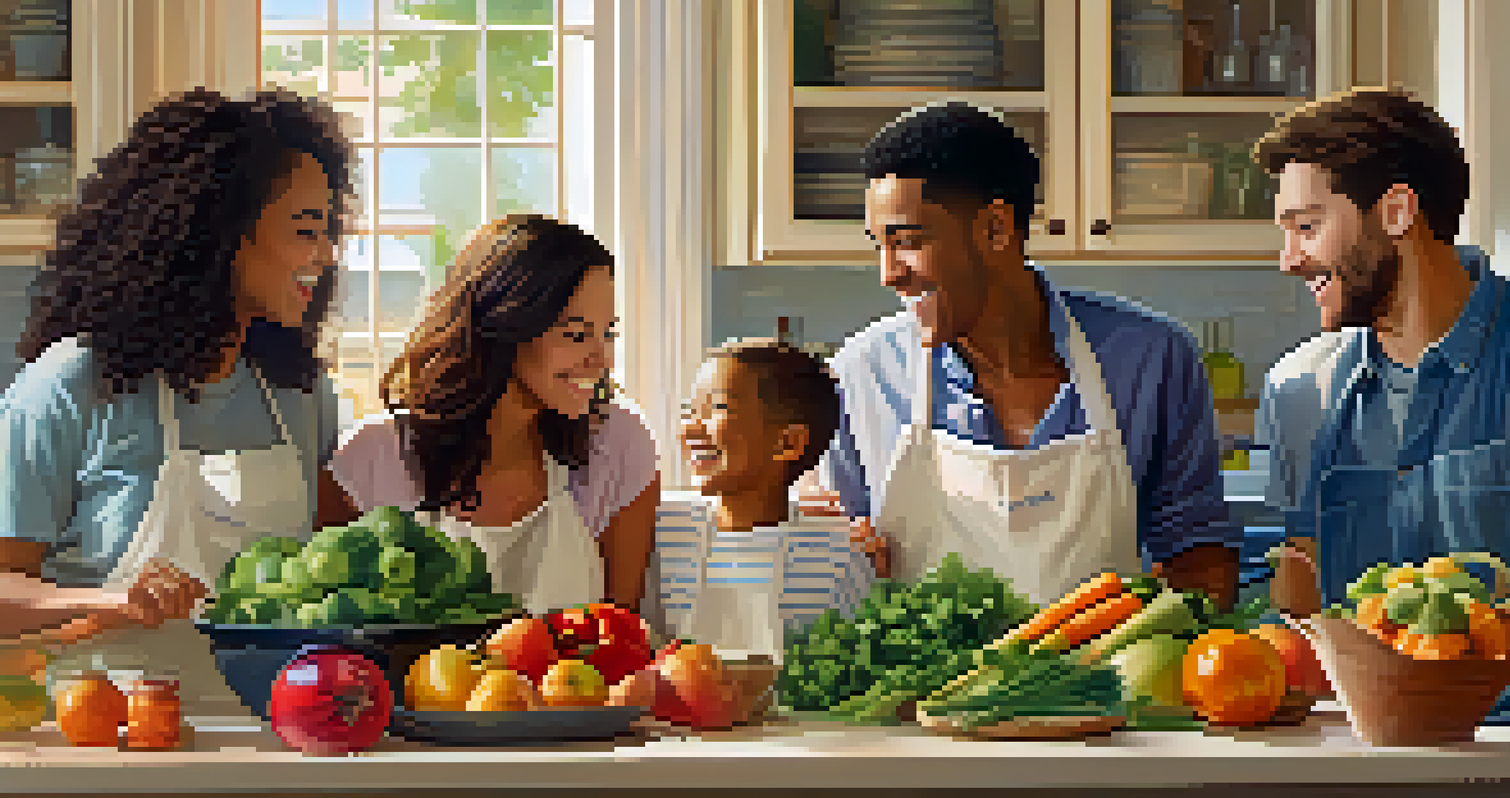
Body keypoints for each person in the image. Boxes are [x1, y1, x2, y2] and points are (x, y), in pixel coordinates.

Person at [0, 87, 359, 710]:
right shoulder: (72, 384)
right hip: (107, 746)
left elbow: (336, 566)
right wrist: (112, 601)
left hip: (279, 742)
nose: (326, 256)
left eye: (329, 233)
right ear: (218, 232)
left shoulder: (299, 396)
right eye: (306, 231)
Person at [803, 101, 1242, 609]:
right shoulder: (862, 373)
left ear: (995, 229)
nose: (888, 273)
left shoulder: (1151, 358)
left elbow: (1198, 553)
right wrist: (844, 560)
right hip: (918, 687)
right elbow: (833, 564)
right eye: (878, 244)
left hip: (1104, 682)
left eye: (908, 241)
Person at [1256, 90, 1510, 635]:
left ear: (1396, 212)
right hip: (1354, 718)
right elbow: (1299, 609)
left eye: (1307, 227)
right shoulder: (1298, 388)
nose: (1288, 261)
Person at [327, 214, 661, 617]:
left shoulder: (615, 444)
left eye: (608, 333)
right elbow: (329, 646)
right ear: (504, 325)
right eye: (576, 335)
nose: (602, 360)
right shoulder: (372, 459)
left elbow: (623, 640)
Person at [677, 339, 873, 650]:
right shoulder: (664, 532)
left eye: (717, 408)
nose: (689, 430)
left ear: (788, 444)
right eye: (689, 411)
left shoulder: (839, 561)